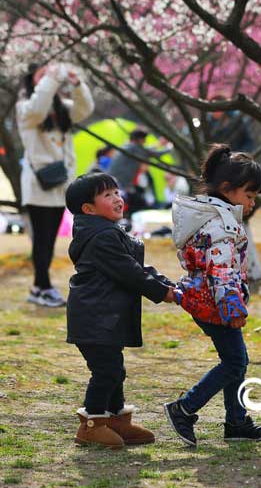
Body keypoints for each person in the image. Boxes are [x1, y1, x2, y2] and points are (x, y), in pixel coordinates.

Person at [164, 144, 261, 446]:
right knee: (235, 362)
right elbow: (221, 270)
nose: (251, 203)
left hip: (204, 299)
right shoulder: (220, 224)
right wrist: (233, 308)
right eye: (249, 196)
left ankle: (236, 422)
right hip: (214, 303)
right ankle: (184, 409)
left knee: (235, 360)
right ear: (228, 189)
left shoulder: (211, 216)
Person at [64, 172, 177, 449]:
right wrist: (162, 293)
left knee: (115, 370)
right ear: (88, 209)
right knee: (106, 371)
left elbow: (137, 268)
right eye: (107, 195)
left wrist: (167, 284)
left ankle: (116, 422)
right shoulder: (101, 237)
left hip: (104, 317)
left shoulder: (107, 231)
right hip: (94, 318)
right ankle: (91, 426)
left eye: (116, 192)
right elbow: (130, 273)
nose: (117, 199)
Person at [17, 62, 94, 307]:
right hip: (39, 183)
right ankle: (42, 286)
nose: (50, 78)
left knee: (49, 238)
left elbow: (85, 108)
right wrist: (49, 79)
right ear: (32, 82)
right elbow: (38, 109)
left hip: (59, 183)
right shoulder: (26, 108)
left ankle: (40, 286)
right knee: (41, 239)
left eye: (50, 75)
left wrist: (76, 83)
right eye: (41, 75)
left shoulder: (63, 109)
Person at [108, 128, 171, 215]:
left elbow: (146, 150)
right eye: (144, 140)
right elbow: (152, 153)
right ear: (140, 139)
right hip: (122, 184)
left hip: (119, 183)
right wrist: (169, 148)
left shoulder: (127, 147)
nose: (145, 142)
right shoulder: (134, 148)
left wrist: (159, 144)